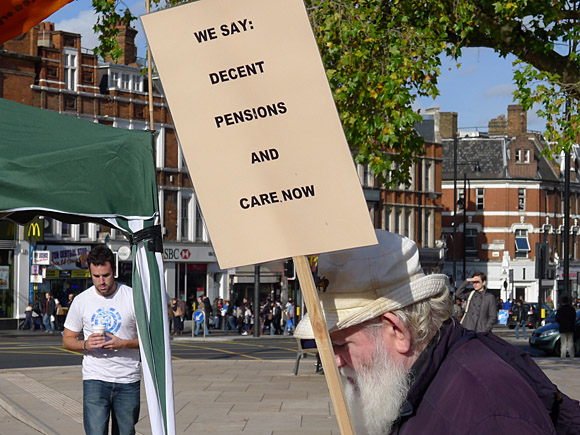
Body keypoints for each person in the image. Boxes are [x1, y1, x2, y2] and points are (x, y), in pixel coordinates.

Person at [294, 230, 571, 435]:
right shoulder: (416, 383)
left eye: (341, 344)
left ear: (397, 331)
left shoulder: (489, 413)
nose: (335, 360)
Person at [63, 244, 140, 435]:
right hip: (95, 378)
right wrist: (85, 344)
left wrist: (123, 343)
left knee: (126, 432)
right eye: (96, 276)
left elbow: (151, 339)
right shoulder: (82, 301)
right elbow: (67, 340)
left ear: (114, 270)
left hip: (128, 379)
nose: (101, 282)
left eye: (105, 275)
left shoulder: (132, 297)